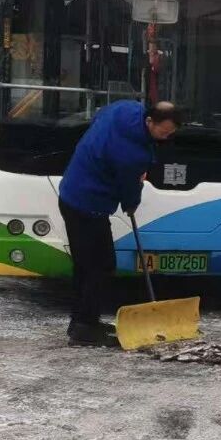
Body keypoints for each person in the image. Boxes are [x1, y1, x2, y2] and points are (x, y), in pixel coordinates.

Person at [58, 100, 182, 346]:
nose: (166, 137)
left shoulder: (125, 109)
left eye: (171, 133)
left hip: (72, 192)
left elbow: (100, 117)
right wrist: (132, 201)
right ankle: (84, 328)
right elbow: (129, 190)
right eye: (164, 132)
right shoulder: (133, 155)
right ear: (149, 121)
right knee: (101, 266)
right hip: (87, 205)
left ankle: (82, 320)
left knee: (85, 266)